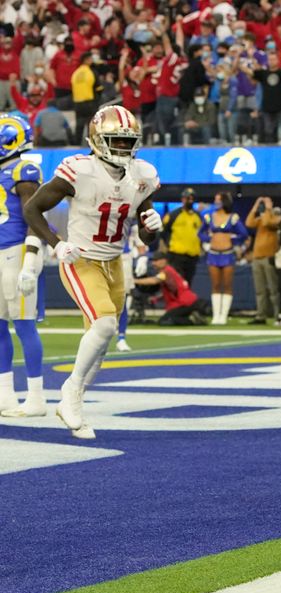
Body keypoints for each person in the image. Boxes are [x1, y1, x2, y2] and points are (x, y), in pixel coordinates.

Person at [23, 105, 162, 439]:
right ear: (98, 139)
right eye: (116, 141)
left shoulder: (141, 174)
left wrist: (152, 228)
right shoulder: (79, 169)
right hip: (82, 259)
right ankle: (70, 392)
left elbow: (144, 228)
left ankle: (75, 404)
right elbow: (32, 208)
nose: (124, 149)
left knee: (101, 342)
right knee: (105, 323)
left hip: (114, 262)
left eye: (128, 142)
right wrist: (56, 244)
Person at [0, 115, 46, 419]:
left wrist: (31, 259)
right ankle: (5, 395)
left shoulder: (23, 170)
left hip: (18, 251)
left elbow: (34, 216)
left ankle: (36, 397)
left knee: (24, 324)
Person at [199, 192, 249, 325]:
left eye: (219, 200)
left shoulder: (232, 218)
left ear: (225, 202)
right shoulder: (209, 217)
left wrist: (233, 240)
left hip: (227, 254)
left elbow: (244, 233)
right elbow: (200, 232)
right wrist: (210, 239)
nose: (216, 203)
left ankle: (224, 315)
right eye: (215, 200)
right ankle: (216, 315)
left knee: (227, 285)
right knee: (215, 285)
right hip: (213, 253)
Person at [133, 252, 207, 325]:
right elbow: (172, 290)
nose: (153, 263)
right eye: (153, 261)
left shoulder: (166, 271)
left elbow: (154, 280)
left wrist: (134, 280)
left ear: (164, 260)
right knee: (167, 319)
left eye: (156, 260)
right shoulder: (170, 270)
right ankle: (192, 316)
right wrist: (156, 299)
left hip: (184, 303)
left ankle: (192, 320)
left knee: (165, 321)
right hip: (189, 301)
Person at [245, 196, 281, 325]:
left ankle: (278, 314)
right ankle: (261, 315)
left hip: (269, 257)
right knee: (259, 289)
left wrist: (268, 209)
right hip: (257, 257)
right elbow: (249, 223)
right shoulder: (262, 218)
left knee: (273, 289)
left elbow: (267, 223)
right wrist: (255, 206)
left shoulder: (275, 218)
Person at [115, 224, 148, 352]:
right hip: (102, 257)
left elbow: (141, 244)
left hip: (124, 258)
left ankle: (121, 337)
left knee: (122, 299)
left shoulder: (131, 220)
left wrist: (142, 258)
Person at [161, 188, 203, 285]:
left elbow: (202, 232)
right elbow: (163, 232)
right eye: (188, 198)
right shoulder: (173, 215)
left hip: (193, 255)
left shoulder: (198, 216)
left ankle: (185, 300)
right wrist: (169, 244)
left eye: (192, 198)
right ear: (183, 199)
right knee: (176, 282)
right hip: (176, 254)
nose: (190, 200)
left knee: (188, 283)